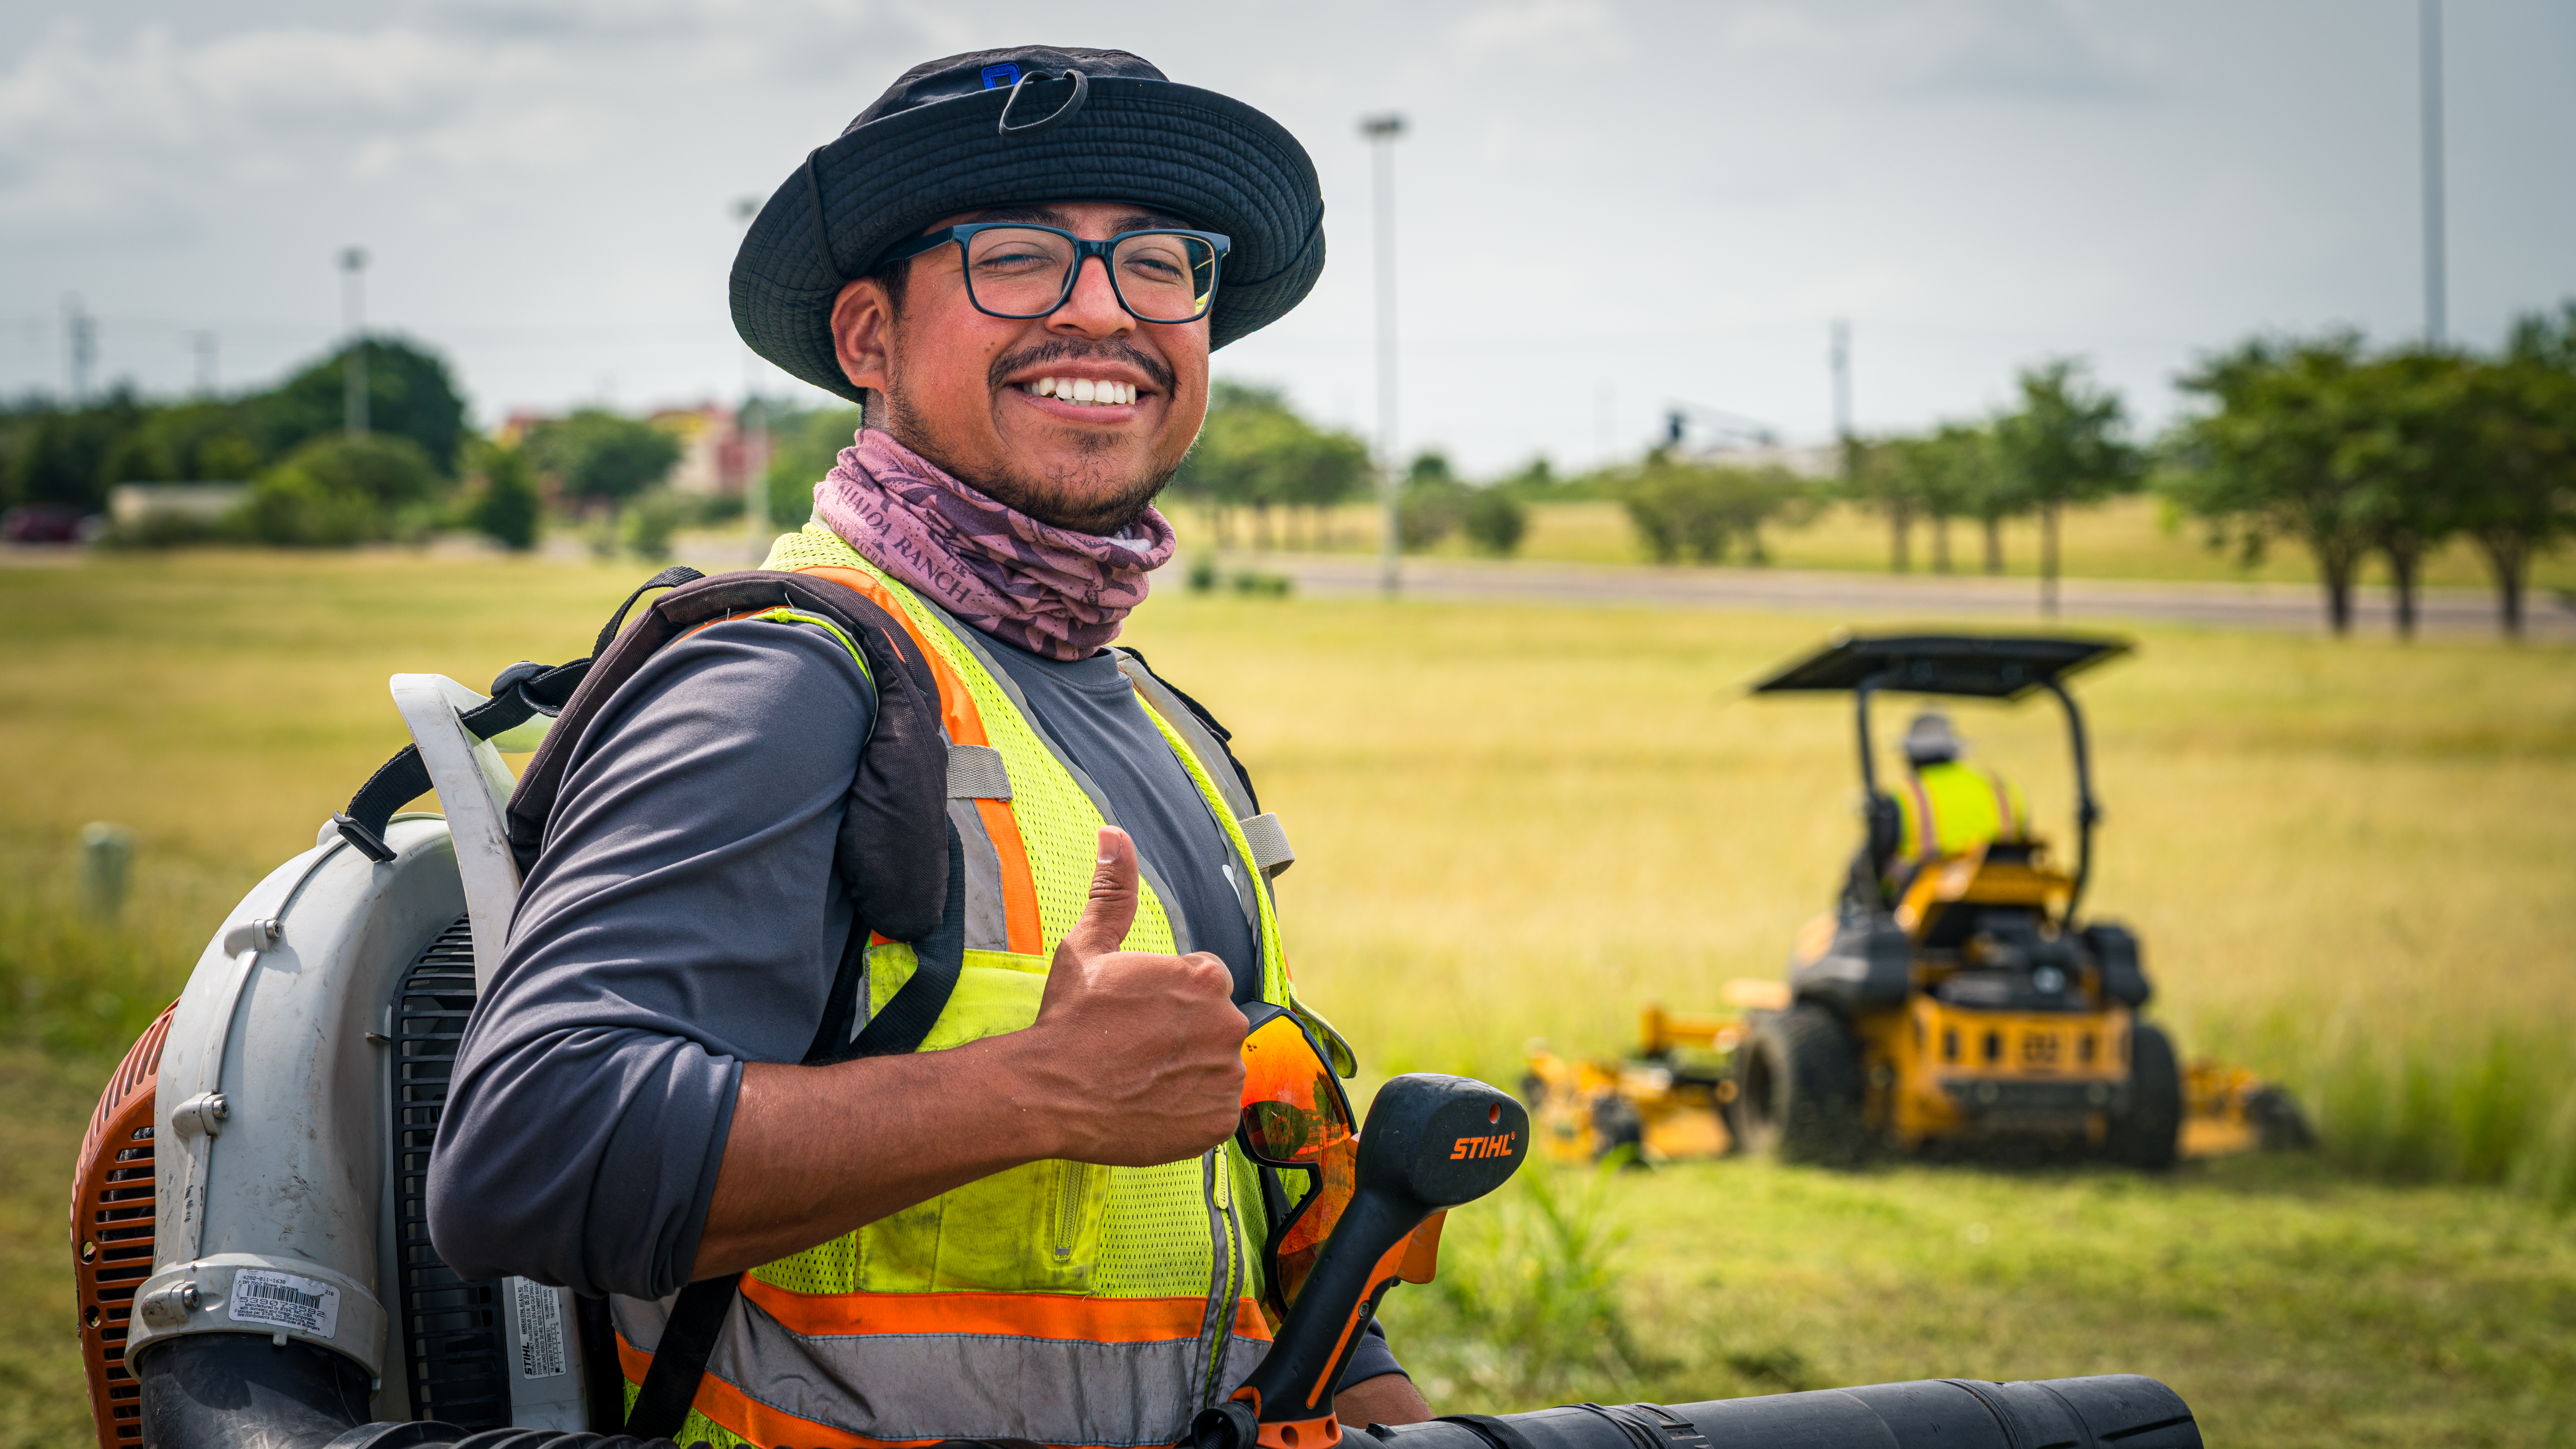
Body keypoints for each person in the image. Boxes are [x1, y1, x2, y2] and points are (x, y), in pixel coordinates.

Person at [427, 46, 1429, 1449]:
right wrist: (1033, 1091)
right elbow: (527, 1160)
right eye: (1016, 259)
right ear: (867, 341)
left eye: (1157, 263)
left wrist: (1383, 1406)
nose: (1103, 311)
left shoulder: (1152, 717)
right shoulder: (785, 676)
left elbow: (1243, 1193)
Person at [1883, 709, 2031, 887]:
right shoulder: (2003, 786)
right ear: (1953, 751)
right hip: (2010, 891)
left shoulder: (1905, 795)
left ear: (1911, 756)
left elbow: (1877, 858)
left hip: (1939, 903)